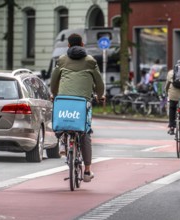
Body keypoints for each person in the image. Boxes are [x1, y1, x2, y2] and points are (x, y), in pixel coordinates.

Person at [50, 33, 105, 182]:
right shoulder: (90, 61)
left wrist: (54, 94)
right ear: (82, 44)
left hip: (63, 100)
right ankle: (87, 171)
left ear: (68, 45)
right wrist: (100, 96)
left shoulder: (61, 60)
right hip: (83, 102)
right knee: (85, 131)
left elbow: (54, 81)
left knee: (59, 117)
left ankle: (62, 141)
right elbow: (99, 84)